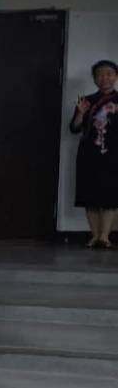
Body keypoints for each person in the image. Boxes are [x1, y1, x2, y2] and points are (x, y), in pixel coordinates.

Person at [70, 59, 118, 247]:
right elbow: (74, 128)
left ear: (115, 77)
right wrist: (81, 113)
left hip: (114, 154)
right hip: (89, 155)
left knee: (111, 196)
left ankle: (105, 237)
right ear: (94, 79)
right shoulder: (86, 100)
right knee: (90, 196)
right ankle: (95, 235)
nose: (104, 78)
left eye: (109, 74)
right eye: (100, 75)